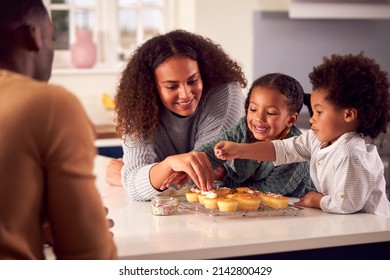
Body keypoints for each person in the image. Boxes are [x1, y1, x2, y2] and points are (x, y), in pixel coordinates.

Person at [0, 0, 117, 259]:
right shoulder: (49, 105)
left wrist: (34, 228)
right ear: (32, 36)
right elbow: (89, 257)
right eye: (52, 37)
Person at [214, 53, 390, 217]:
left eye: (319, 113)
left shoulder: (351, 155)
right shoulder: (316, 140)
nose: (312, 120)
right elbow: (282, 149)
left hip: (373, 229)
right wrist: (240, 150)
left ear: (349, 115)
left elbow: (347, 204)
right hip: (347, 223)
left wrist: (317, 200)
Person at [105, 29, 247, 201]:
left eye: (193, 81)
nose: (186, 94)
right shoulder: (137, 104)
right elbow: (136, 188)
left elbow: (201, 179)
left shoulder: (225, 93)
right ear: (152, 87)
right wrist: (168, 165)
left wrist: (130, 177)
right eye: (172, 87)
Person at [163, 73, 316, 197]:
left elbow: (271, 191)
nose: (259, 119)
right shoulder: (243, 129)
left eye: (270, 113)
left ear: (291, 120)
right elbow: (210, 153)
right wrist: (188, 169)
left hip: (296, 207)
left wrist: (225, 179)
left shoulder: (296, 149)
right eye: (253, 109)